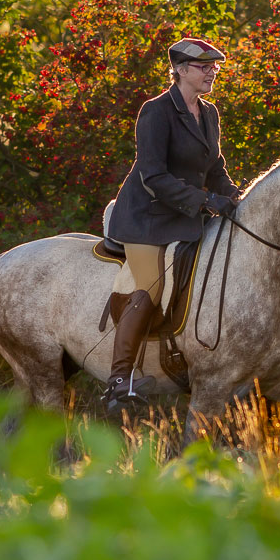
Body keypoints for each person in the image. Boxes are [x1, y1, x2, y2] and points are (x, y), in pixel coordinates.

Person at [103, 38, 240, 413]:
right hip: (146, 217)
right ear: (179, 70)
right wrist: (206, 201)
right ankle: (119, 379)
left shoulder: (208, 113)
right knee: (151, 283)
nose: (212, 71)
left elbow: (215, 169)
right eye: (203, 66)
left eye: (214, 66)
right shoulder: (156, 111)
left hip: (184, 215)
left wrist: (236, 199)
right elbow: (153, 176)